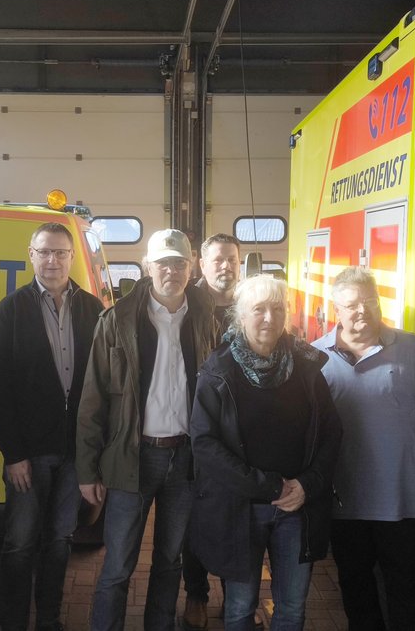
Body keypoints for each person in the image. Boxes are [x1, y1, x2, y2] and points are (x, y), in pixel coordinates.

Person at [77, 228, 217, 631]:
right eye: (163, 263)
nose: (171, 270)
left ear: (191, 268)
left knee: (170, 560)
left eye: (179, 263)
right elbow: (93, 399)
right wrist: (88, 471)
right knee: (118, 565)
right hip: (131, 458)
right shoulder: (117, 320)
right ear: (147, 266)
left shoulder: (207, 319)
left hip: (185, 460)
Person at [189, 274, 342, 631]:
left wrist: (307, 486)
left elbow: (332, 433)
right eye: (258, 309)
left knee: (291, 607)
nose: (269, 318)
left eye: (277, 308)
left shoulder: (307, 368)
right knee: (240, 607)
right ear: (241, 317)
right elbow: (204, 443)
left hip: (297, 508)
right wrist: (269, 487)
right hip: (242, 507)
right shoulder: (218, 371)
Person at [311, 266, 415, 631]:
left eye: (369, 301)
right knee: (356, 587)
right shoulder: (314, 359)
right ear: (336, 310)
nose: (362, 311)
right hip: (345, 501)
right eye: (352, 304)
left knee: (407, 589)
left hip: (404, 501)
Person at [0, 222, 105, 631]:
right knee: (20, 544)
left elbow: (104, 385)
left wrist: (95, 455)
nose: (53, 260)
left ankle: (50, 619)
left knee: (60, 541)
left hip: (76, 453)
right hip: (29, 455)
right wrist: (14, 454)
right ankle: (13, 622)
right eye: (44, 252)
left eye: (60, 253)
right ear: (31, 254)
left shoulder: (93, 309)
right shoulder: (12, 309)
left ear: (72, 257)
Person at [183, 232, 255, 630]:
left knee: (238, 518)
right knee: (194, 516)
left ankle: (237, 598)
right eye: (218, 260)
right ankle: (196, 593)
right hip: (194, 428)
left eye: (232, 259)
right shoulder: (187, 305)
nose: (226, 266)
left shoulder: (250, 304)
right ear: (202, 264)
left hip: (241, 433)